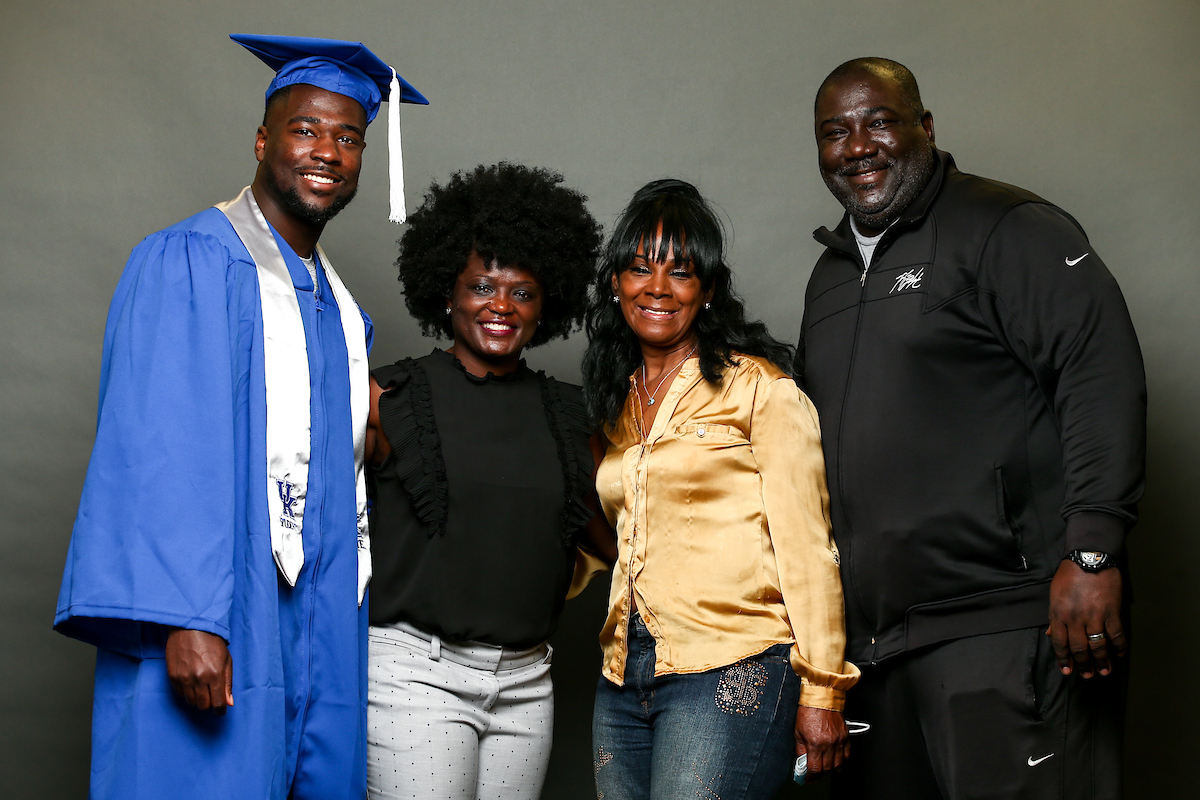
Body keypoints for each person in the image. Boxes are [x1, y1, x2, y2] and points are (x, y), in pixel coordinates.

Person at [53, 34, 427, 800]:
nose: (327, 150)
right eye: (305, 129)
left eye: (349, 137)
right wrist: (187, 619)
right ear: (262, 139)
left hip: (320, 633)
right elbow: (158, 448)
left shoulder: (340, 309)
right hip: (220, 615)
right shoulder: (187, 261)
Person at [797, 57, 1145, 800]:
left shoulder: (1006, 228)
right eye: (835, 132)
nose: (857, 145)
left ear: (924, 127)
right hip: (876, 651)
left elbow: (1097, 367)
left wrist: (1092, 552)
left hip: (1002, 626)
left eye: (879, 121)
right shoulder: (828, 278)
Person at [582, 179, 860, 800]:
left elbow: (809, 550)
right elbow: (618, 541)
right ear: (615, 283)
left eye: (681, 273)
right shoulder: (616, 405)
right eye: (639, 268)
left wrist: (823, 692)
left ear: (707, 292)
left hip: (731, 666)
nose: (657, 287)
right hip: (622, 675)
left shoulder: (760, 391)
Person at [364, 162, 605, 800]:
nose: (500, 306)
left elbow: (620, 539)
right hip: (415, 674)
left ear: (546, 301)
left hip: (528, 683)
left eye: (521, 291)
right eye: (481, 286)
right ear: (447, 292)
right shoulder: (388, 396)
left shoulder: (571, 416)